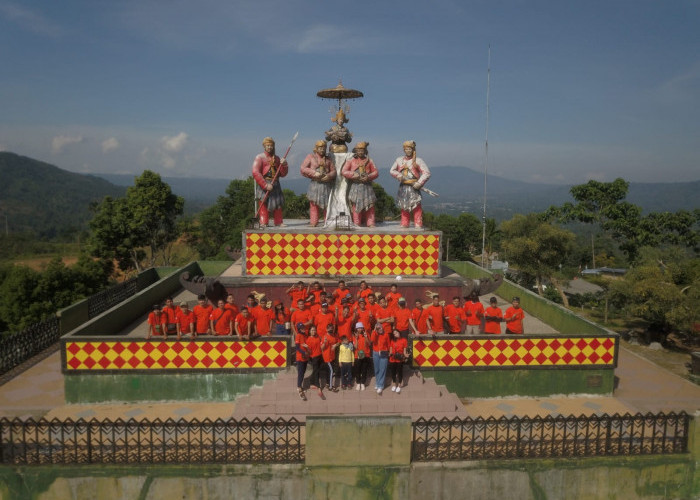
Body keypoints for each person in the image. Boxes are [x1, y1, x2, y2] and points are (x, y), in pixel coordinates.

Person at [389, 140, 431, 229]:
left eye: (410, 149)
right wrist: (399, 175)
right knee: (404, 205)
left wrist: (419, 183)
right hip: (403, 186)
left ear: (413, 149)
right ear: (404, 150)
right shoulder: (399, 160)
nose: (408, 150)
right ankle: (404, 223)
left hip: (414, 186)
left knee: (416, 205)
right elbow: (392, 170)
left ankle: (418, 223)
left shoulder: (418, 160)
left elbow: (426, 173)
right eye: (406, 149)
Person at [252, 136, 288, 227]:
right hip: (265, 182)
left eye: (271, 145)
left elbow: (282, 174)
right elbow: (255, 172)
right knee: (263, 203)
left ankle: (278, 221)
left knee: (278, 203)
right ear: (264, 146)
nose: (269, 147)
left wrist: (284, 165)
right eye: (267, 145)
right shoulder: (260, 157)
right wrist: (265, 185)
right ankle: (264, 221)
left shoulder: (277, 158)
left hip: (275, 183)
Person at [341, 141, 378, 227]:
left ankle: (370, 222)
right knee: (355, 205)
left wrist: (368, 176)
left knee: (370, 205)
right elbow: (344, 171)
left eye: (362, 150)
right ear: (355, 151)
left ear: (365, 151)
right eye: (359, 150)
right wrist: (354, 174)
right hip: (355, 186)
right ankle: (356, 222)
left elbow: (375, 172)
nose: (360, 152)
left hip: (367, 186)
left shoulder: (369, 161)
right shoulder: (351, 161)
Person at [301, 140, 336, 226]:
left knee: (327, 204)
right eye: (320, 148)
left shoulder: (328, 159)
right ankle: (313, 221)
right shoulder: (310, 157)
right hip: (315, 185)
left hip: (326, 185)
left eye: (324, 148)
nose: (322, 150)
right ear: (316, 148)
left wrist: (329, 176)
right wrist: (314, 173)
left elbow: (334, 171)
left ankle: (327, 221)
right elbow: (303, 168)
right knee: (314, 204)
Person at [371, 322, 391, 394]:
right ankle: (377, 382)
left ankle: (380, 386)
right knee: (377, 369)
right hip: (375, 353)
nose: (380, 329)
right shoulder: (375, 334)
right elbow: (372, 340)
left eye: (381, 327)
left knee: (382, 369)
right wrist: (374, 330)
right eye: (378, 328)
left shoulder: (386, 335)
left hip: (384, 353)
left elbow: (388, 344)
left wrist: (389, 352)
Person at [306, 325, 324, 399]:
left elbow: (320, 346)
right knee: (316, 371)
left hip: (319, 356)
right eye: (312, 330)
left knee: (317, 370)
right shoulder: (308, 340)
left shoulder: (318, 337)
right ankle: (319, 387)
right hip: (314, 357)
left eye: (314, 330)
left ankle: (311, 383)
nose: (313, 331)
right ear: (309, 331)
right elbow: (309, 351)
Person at [353, 322, 371, 391]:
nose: (360, 329)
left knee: (364, 369)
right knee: (357, 370)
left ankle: (363, 383)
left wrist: (366, 337)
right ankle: (358, 383)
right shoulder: (355, 336)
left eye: (361, 328)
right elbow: (355, 346)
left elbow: (369, 344)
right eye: (358, 328)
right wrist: (357, 338)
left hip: (366, 354)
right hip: (357, 355)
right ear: (356, 329)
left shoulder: (366, 334)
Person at [321, 324, 339, 392]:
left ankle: (328, 383)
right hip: (327, 357)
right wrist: (325, 343)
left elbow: (338, 342)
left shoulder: (334, 336)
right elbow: (322, 348)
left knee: (329, 371)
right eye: (329, 329)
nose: (331, 330)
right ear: (327, 329)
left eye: (332, 328)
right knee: (331, 371)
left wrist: (335, 345)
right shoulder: (325, 337)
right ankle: (331, 386)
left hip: (332, 356)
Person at [294, 323, 310, 400]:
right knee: (300, 372)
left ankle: (301, 386)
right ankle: (299, 387)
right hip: (300, 357)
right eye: (301, 328)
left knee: (303, 372)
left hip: (305, 357)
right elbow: (297, 348)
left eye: (303, 327)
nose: (303, 328)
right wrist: (304, 352)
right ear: (299, 329)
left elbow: (306, 345)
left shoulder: (305, 335)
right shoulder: (298, 336)